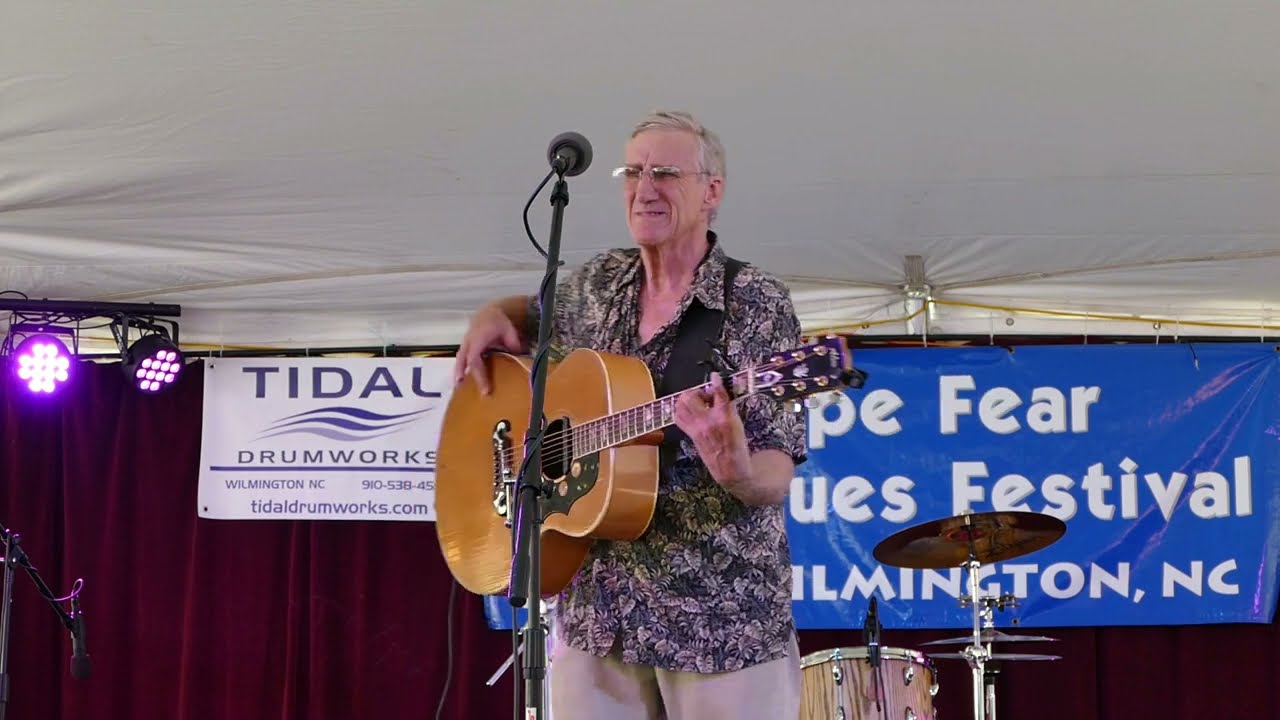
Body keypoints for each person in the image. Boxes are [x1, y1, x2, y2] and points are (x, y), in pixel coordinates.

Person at [453, 110, 807, 719]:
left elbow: (777, 469)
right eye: (633, 171)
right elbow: (527, 314)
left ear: (711, 192)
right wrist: (494, 311)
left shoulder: (753, 301)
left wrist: (736, 470)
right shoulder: (596, 282)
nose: (646, 188)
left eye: (667, 172)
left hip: (720, 622)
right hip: (598, 618)